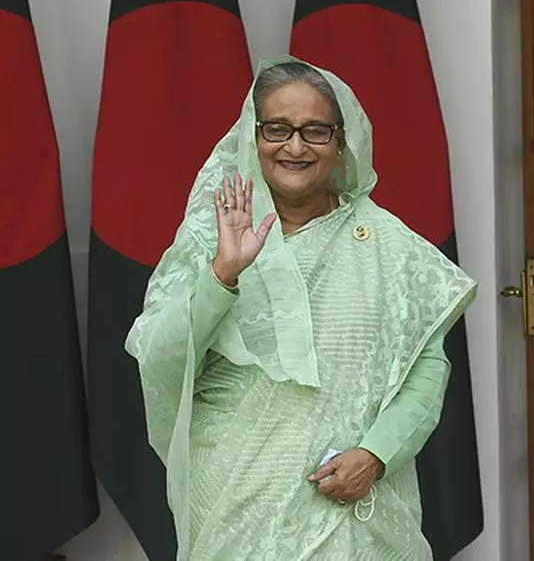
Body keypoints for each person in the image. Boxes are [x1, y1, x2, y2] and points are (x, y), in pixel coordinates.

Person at [126, 57, 477, 560]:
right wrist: (223, 274)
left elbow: (427, 366)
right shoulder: (213, 234)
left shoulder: (386, 244)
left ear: (341, 141)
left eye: (315, 131)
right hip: (236, 496)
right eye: (277, 129)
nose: (294, 146)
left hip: (350, 500)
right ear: (254, 136)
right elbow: (160, 357)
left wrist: (377, 454)